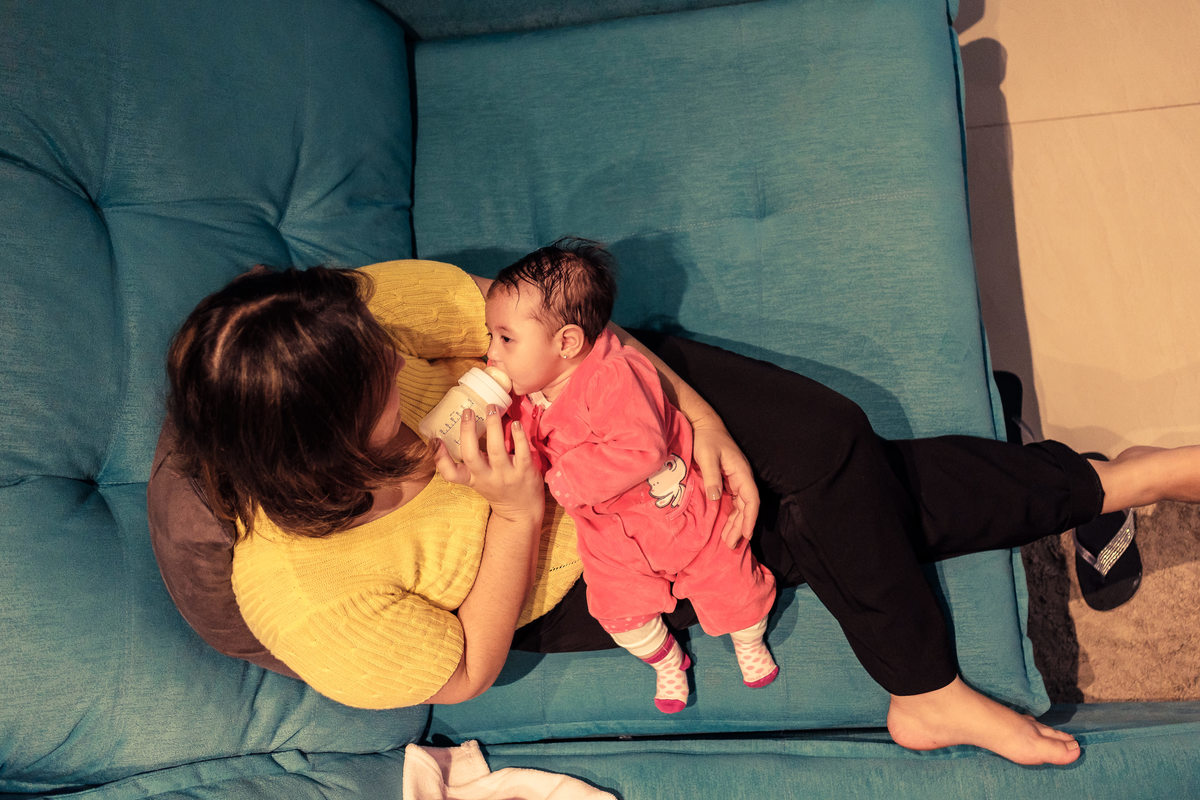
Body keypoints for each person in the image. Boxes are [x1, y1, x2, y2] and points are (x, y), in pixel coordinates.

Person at [160, 251, 1200, 768]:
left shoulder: (359, 316)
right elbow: (467, 668)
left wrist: (694, 417)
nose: (402, 359)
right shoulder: (302, 594)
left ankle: (1089, 511)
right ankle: (1109, 488)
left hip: (589, 399)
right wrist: (517, 511)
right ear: (326, 449)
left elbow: (537, 330)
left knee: (832, 442)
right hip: (564, 561)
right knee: (812, 521)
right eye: (381, 384)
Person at [482, 239, 778, 714]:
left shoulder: (613, 376)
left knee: (733, 586)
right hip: (612, 539)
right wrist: (492, 426)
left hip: (681, 513)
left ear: (567, 343)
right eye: (490, 337)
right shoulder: (527, 394)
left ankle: (749, 641)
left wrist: (561, 482)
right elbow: (523, 449)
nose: (490, 353)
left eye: (505, 339)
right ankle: (667, 661)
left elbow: (641, 451)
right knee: (617, 614)